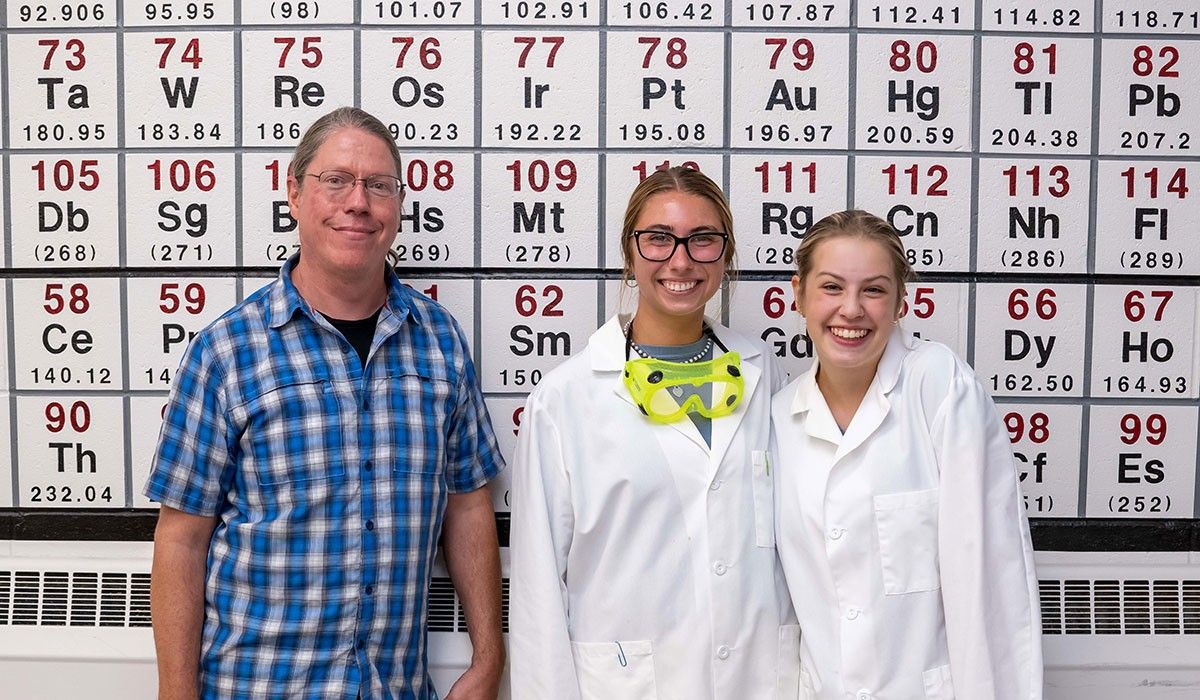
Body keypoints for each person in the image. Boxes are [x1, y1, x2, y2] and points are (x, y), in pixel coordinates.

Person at [145, 106, 506, 700]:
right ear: (294, 194)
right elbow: (181, 538)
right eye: (335, 180)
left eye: (378, 185)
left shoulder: (440, 342)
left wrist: (489, 658)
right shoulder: (226, 351)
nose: (358, 202)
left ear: (397, 205)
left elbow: (467, 504)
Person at [508, 167, 802, 699]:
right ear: (630, 251)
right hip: (629, 683)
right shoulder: (565, 400)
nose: (681, 260)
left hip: (760, 679)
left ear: (726, 254)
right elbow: (536, 593)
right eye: (659, 239)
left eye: (703, 240)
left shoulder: (766, 373)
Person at [771, 210, 1043, 699]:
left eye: (873, 290)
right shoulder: (778, 419)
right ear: (799, 294)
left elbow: (989, 579)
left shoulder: (938, 386)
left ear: (901, 303)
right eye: (831, 287)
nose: (851, 310)